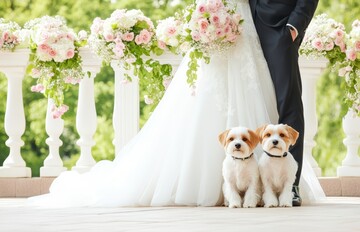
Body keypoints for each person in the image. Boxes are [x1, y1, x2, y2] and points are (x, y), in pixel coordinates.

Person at [29, 0, 324, 207]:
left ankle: (287, 184)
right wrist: (204, 20)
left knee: (284, 101)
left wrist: (294, 26)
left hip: (269, 29)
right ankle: (216, 184)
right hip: (219, 25)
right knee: (201, 105)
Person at [249, 0, 319, 206]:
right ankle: (246, 184)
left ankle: (292, 186)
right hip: (241, 23)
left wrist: (294, 26)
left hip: (279, 27)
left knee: (289, 101)